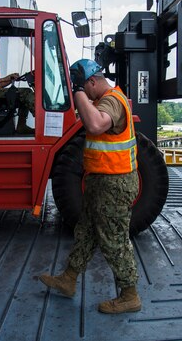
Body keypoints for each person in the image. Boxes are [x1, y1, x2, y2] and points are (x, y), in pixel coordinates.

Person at [39, 59, 141, 314]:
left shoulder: (112, 101)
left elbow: (96, 124)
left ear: (92, 81)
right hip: (100, 181)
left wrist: (78, 94)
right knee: (85, 232)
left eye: (84, 86)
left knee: (113, 239)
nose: (82, 93)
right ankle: (69, 279)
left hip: (114, 183)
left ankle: (130, 295)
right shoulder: (100, 101)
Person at [0, 30, 35, 135]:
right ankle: (42, 118)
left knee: (23, 95)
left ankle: (21, 126)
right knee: (26, 93)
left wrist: (10, 79)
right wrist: (3, 79)